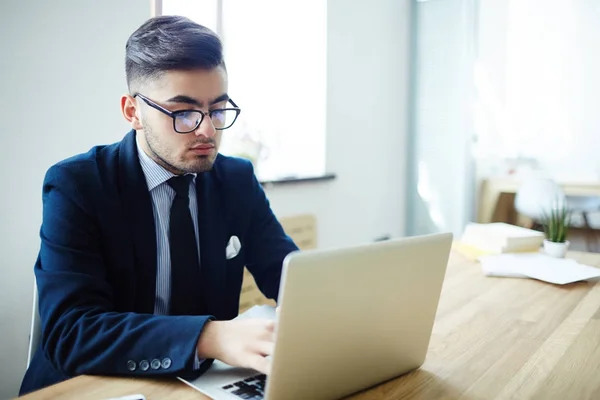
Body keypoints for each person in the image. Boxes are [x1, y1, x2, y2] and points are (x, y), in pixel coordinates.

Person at [19, 15, 298, 395]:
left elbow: (288, 275)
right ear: (133, 112)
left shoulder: (235, 180)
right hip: (95, 385)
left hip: (199, 384)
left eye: (217, 109)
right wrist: (209, 337)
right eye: (182, 113)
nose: (206, 130)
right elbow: (72, 332)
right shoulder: (78, 186)